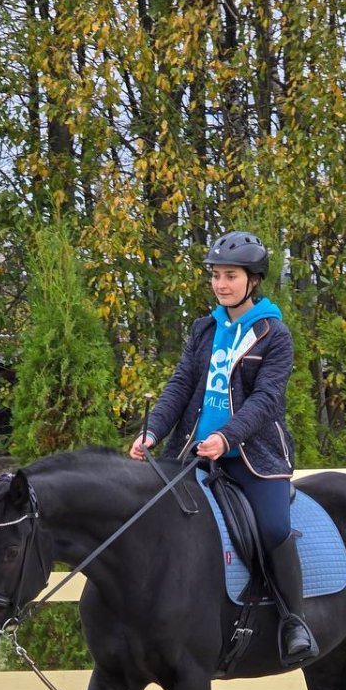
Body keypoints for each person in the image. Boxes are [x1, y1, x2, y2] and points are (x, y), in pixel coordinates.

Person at [129, 229, 318, 667]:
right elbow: (180, 386)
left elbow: (267, 399)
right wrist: (153, 432)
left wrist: (226, 437)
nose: (220, 284)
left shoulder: (274, 334)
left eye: (230, 276)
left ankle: (294, 621)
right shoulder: (204, 329)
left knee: (272, 529)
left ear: (252, 280)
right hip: (192, 454)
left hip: (254, 458)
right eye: (215, 276)